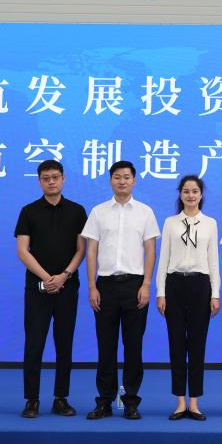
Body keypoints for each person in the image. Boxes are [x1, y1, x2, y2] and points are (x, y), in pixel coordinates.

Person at [83, 160, 159, 420]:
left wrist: (146, 284)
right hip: (104, 285)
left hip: (135, 285)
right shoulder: (98, 212)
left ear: (134, 181)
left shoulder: (145, 212)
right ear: (110, 180)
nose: (122, 181)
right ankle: (105, 401)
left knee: (133, 346)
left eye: (126, 177)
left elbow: (150, 252)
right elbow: (91, 251)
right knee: (106, 345)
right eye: (117, 177)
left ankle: (130, 401)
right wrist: (92, 286)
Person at [14, 160, 86, 418]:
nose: (51, 181)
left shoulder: (77, 211)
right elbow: (22, 251)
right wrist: (47, 278)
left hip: (68, 286)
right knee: (34, 343)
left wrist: (64, 276)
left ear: (63, 179)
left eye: (55, 177)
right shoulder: (29, 211)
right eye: (46, 178)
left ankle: (61, 398)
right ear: (39, 181)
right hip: (37, 287)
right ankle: (31, 399)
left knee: (64, 343)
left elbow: (81, 250)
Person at [155, 175, 220, 421]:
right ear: (180, 194)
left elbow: (213, 262)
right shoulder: (170, 223)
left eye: (194, 191)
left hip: (200, 286)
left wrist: (215, 294)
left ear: (201, 195)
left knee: (197, 345)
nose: (190, 195)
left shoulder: (210, 223)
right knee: (176, 345)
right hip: (174, 285)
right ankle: (180, 401)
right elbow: (163, 259)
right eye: (186, 191)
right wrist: (161, 292)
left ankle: (194, 402)